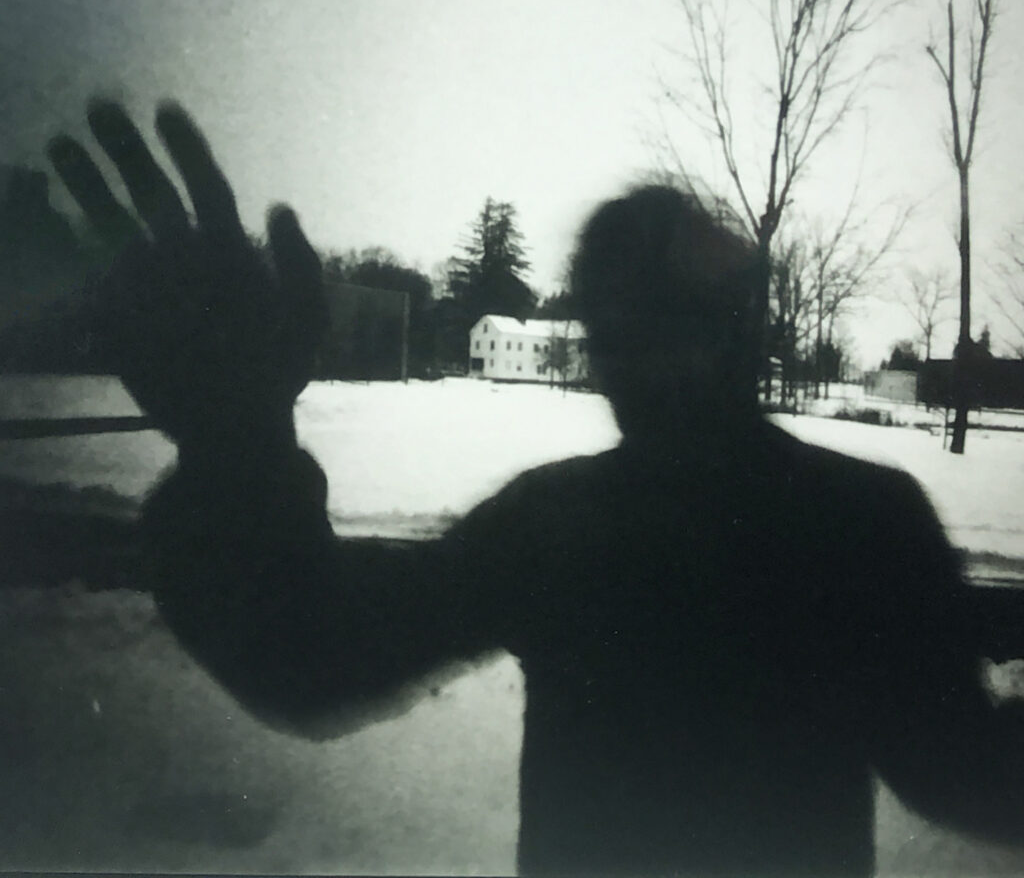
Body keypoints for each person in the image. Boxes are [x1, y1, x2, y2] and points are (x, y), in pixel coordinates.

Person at [46, 100, 1024, 876]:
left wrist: (236, 436)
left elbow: (311, 649)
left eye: (639, 330)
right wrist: (234, 436)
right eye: (621, 335)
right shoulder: (857, 521)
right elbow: (967, 770)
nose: (633, 365)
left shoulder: (565, 524)